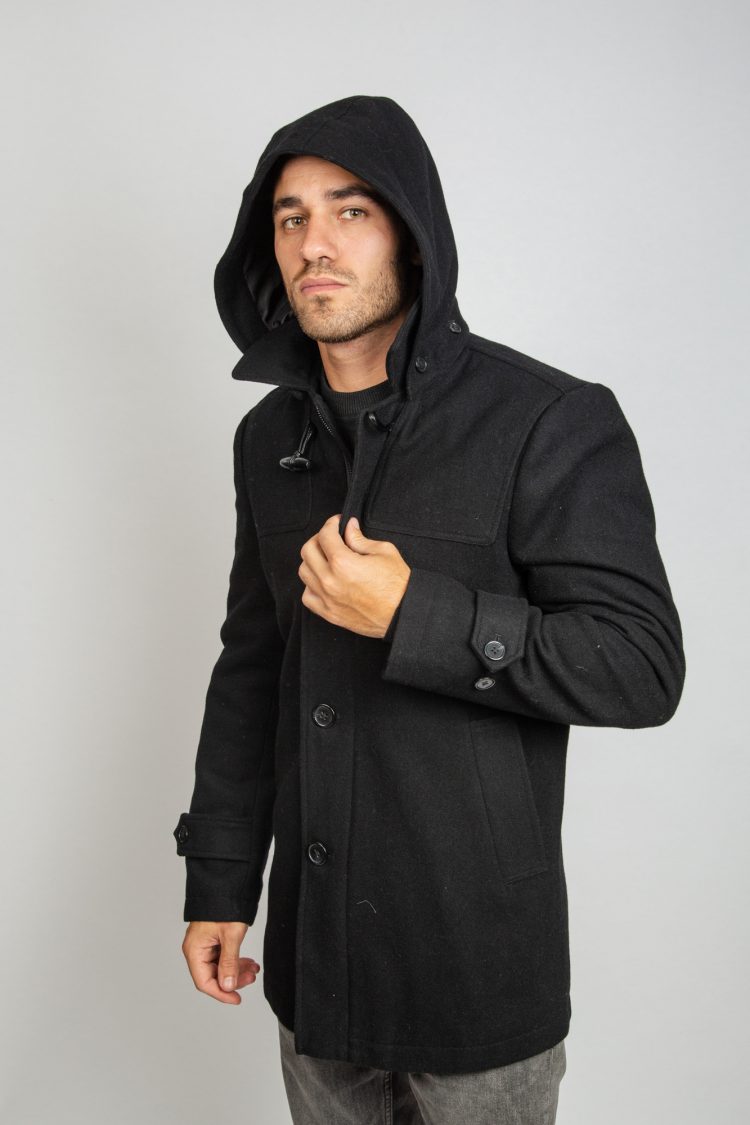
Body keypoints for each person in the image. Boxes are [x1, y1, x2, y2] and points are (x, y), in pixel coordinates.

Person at [173, 94, 685, 1124]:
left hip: (477, 977)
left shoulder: (546, 419)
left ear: (411, 233)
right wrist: (220, 881)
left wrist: (418, 613)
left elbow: (640, 666)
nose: (315, 243)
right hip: (316, 977)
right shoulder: (267, 440)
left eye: (351, 211)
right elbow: (252, 668)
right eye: (290, 217)